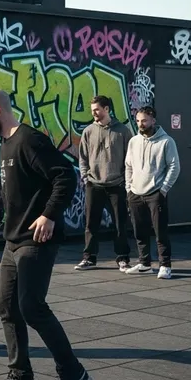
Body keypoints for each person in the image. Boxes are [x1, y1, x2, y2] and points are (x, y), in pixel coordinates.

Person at [0, 88, 92, 380]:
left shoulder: (30, 140)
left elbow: (64, 177)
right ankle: (21, 378)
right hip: (12, 240)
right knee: (7, 307)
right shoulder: (5, 145)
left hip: (36, 240)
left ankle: (73, 374)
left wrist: (48, 215)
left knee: (32, 307)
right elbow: (18, 185)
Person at [75, 95, 133, 272]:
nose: (93, 113)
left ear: (107, 109)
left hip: (117, 184)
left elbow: (130, 158)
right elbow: (83, 157)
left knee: (119, 223)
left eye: (96, 110)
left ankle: (123, 258)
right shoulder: (88, 131)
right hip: (94, 184)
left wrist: (126, 180)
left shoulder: (123, 131)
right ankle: (89, 258)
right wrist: (85, 177)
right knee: (91, 224)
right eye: (92, 110)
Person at [125, 106, 180, 279]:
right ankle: (144, 263)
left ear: (153, 120)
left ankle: (165, 265)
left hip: (155, 193)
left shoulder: (166, 141)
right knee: (139, 230)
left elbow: (174, 166)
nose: (141, 124)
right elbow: (128, 165)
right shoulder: (134, 141)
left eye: (144, 121)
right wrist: (128, 188)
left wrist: (163, 189)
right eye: (138, 121)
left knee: (160, 231)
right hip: (135, 193)